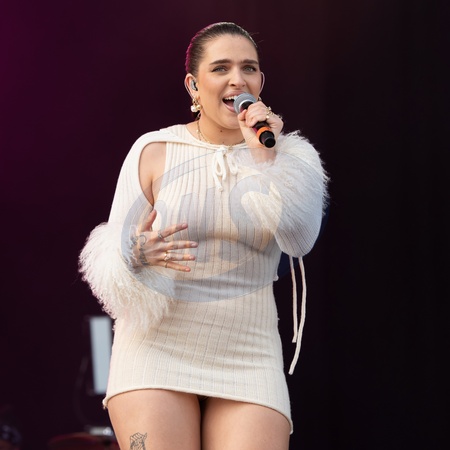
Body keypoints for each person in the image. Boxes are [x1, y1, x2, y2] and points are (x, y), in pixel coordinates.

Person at [79, 22, 328, 450]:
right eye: (221, 68)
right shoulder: (154, 150)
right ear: (193, 85)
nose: (237, 79)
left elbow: (300, 240)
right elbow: (110, 259)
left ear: (261, 81)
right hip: (156, 349)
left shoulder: (289, 155)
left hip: (248, 352)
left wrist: (267, 158)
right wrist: (135, 255)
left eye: (249, 68)